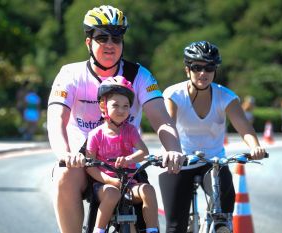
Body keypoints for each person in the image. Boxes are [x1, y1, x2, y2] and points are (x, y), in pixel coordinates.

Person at [47, 5, 183, 233]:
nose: (110, 44)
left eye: (117, 38)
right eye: (102, 37)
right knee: (63, 175)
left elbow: (162, 119)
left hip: (125, 161)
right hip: (84, 161)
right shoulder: (70, 74)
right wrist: (65, 154)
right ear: (89, 43)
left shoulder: (139, 75)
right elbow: (56, 119)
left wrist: (174, 149)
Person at [158, 41, 267, 233]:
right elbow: (169, 126)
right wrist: (172, 152)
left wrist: (255, 147)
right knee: (175, 227)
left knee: (223, 220)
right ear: (187, 70)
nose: (203, 73)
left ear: (215, 70)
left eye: (209, 68)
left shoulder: (225, 96)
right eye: (197, 67)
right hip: (178, 161)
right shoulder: (174, 94)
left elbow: (244, 128)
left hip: (214, 162)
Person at [86, 76, 159, 233]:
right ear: (103, 106)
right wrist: (110, 180)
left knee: (148, 189)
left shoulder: (130, 130)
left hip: (129, 184)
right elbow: (90, 166)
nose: (121, 110)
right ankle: (99, 230)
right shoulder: (95, 134)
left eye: (126, 106)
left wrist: (129, 159)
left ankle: (152, 230)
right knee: (112, 194)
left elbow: (143, 152)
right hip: (105, 185)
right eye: (116, 105)